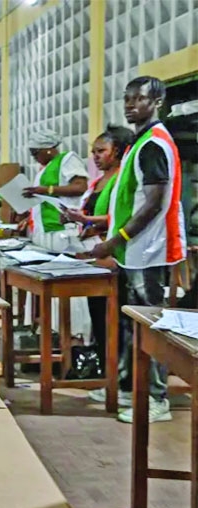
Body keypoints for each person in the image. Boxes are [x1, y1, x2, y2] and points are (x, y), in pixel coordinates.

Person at [90, 76, 187, 423]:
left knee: (153, 327)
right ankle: (130, 387)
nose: (131, 104)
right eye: (127, 98)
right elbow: (130, 200)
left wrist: (115, 240)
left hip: (149, 250)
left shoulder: (154, 144)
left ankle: (157, 400)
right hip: (134, 251)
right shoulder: (140, 141)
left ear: (157, 102)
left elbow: (153, 204)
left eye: (139, 98)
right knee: (132, 325)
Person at [63, 125, 134, 387]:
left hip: (112, 254)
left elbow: (121, 218)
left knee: (112, 318)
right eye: (93, 152)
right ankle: (105, 369)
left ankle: (118, 375)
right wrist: (78, 219)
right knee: (98, 315)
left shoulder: (121, 179)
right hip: (93, 252)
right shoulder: (98, 181)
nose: (95, 157)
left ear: (117, 151)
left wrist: (88, 221)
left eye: (101, 151)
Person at [20, 129, 89, 251]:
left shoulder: (67, 159)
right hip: (44, 229)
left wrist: (47, 189)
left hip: (62, 227)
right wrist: (29, 217)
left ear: (48, 148)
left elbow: (80, 187)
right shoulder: (44, 169)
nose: (34, 157)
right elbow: (43, 199)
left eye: (35, 152)